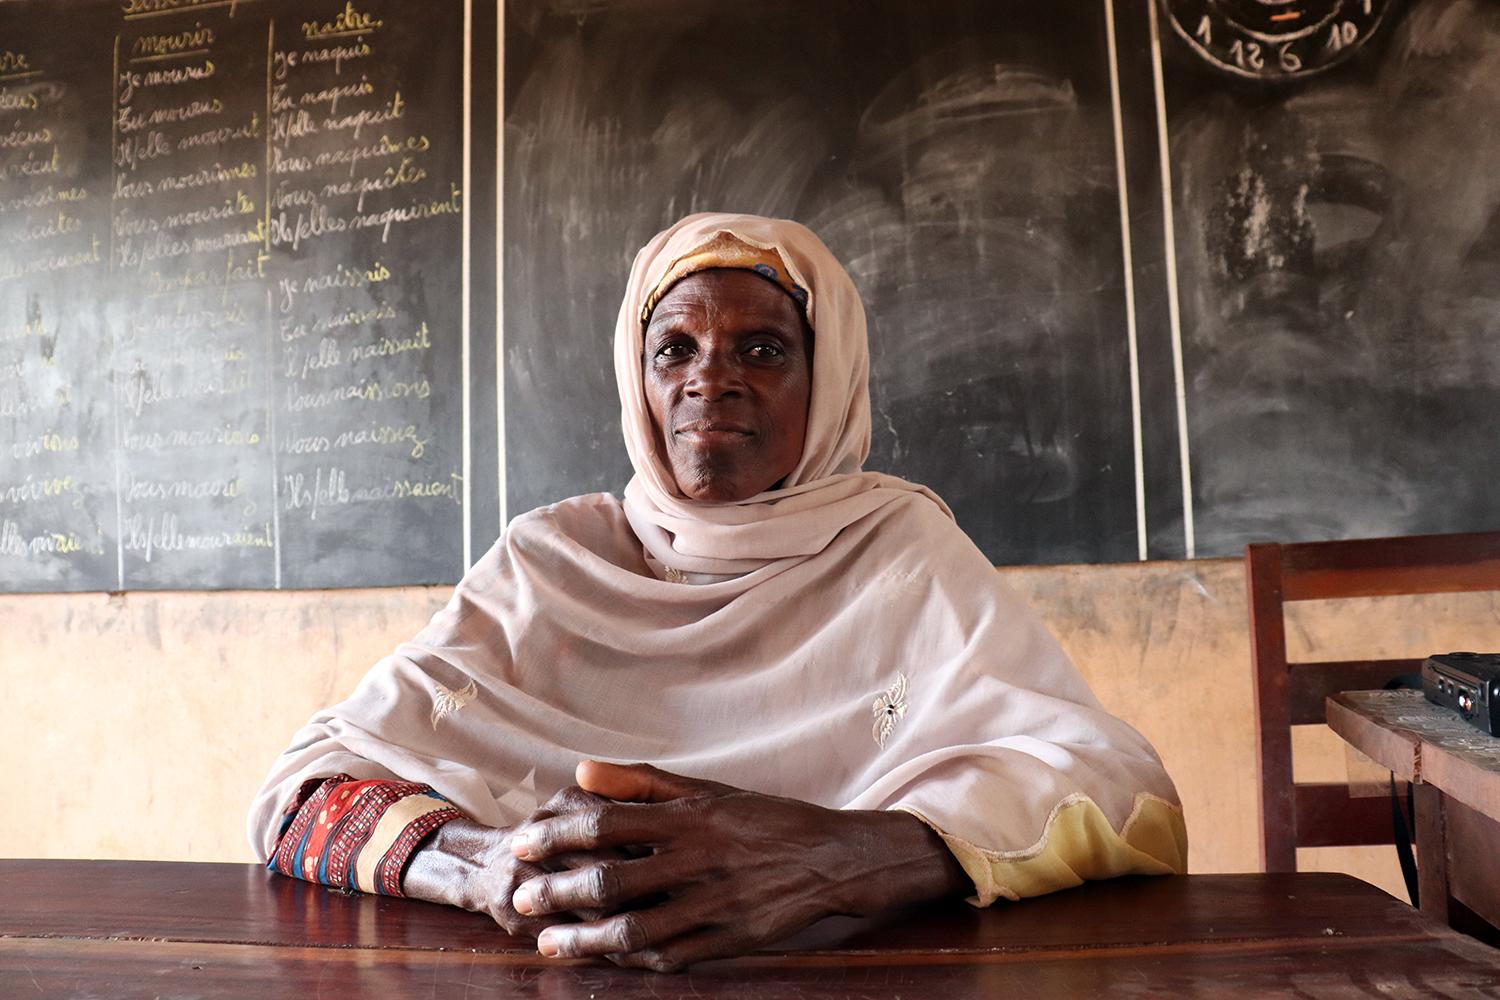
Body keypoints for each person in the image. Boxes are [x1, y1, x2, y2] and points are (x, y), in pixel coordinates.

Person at [248, 213, 1186, 972]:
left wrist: (832, 857)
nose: (712, 381)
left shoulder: (900, 553)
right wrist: (487, 865)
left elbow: (1122, 796)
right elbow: (299, 799)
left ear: (828, 384)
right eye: (675, 349)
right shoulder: (550, 562)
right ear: (639, 381)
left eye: (765, 350)